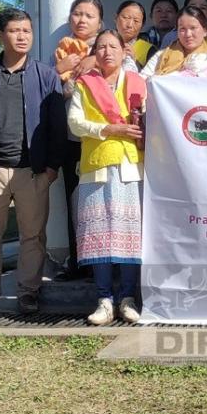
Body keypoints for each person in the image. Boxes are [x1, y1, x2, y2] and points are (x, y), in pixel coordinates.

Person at [0, 8, 66, 316]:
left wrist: (51, 168)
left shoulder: (46, 75)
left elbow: (57, 126)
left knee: (33, 236)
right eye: (15, 31)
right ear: (0, 35)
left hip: (32, 170)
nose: (22, 36)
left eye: (27, 30)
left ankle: (28, 291)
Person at [68, 30, 145, 325]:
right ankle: (104, 299)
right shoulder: (84, 85)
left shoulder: (139, 83)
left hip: (130, 166)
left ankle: (127, 298)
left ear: (124, 51)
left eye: (113, 46)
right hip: (96, 167)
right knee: (99, 237)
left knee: (129, 236)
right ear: (94, 52)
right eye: (101, 47)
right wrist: (109, 130)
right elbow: (75, 122)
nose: (107, 52)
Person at [52, 0, 103, 282]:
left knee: (103, 202)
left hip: (103, 138)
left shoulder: (107, 48)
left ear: (100, 21)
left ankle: (105, 263)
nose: (81, 20)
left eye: (89, 15)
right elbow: (54, 91)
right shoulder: (61, 51)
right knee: (75, 203)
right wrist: (61, 72)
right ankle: (78, 260)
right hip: (73, 139)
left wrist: (93, 58)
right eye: (77, 13)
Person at [141, 7, 207, 79]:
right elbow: (143, 79)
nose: (188, 34)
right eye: (182, 29)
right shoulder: (162, 55)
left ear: (205, 31)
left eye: (193, 28)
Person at [114, 0, 153, 71]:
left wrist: (134, 61)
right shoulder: (104, 43)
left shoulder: (149, 50)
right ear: (116, 18)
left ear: (142, 25)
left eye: (136, 21)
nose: (130, 25)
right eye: (125, 18)